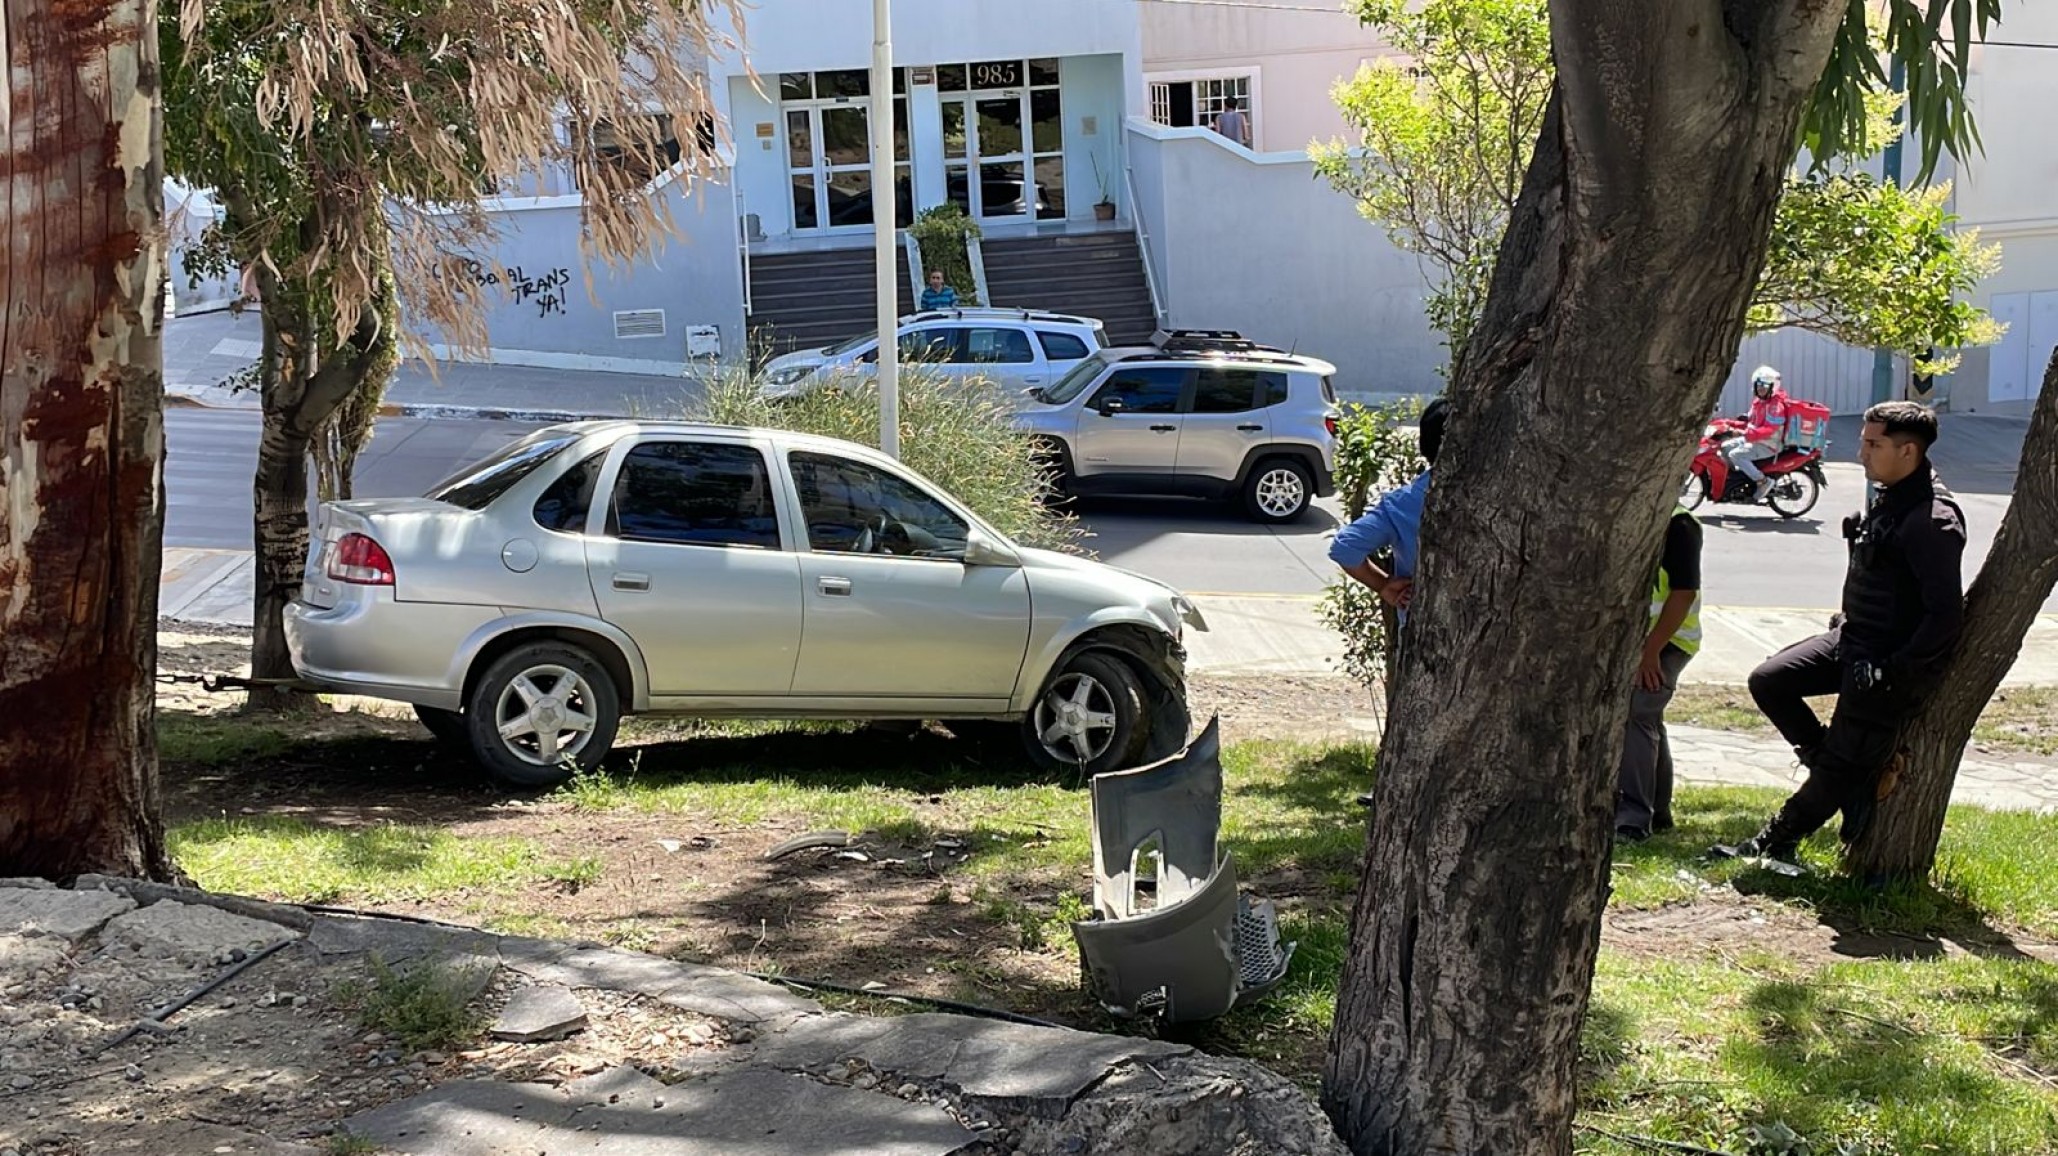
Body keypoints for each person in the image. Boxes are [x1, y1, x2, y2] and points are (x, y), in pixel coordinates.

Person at [1712, 401, 1965, 865]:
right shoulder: (1892, 494)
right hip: (1852, 641)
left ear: (1908, 451)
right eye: (1863, 441)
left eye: (1873, 444)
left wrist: (1895, 670)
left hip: (1885, 664)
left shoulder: (1932, 520)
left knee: (1844, 758)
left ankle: (1776, 841)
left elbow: (1945, 616)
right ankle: (1840, 773)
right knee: (1770, 680)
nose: (1861, 453)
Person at [1328, 399, 1448, 806]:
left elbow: (1345, 547)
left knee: (1415, 714)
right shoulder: (1500, 498)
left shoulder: (1403, 502)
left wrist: (1383, 584)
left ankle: (1397, 790)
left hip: (1421, 624)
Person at [1616, 504, 1703, 842]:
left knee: (1639, 710)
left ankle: (1633, 820)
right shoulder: (1631, 512)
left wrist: (1650, 651)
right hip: (1638, 641)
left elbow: (1683, 594)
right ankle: (1659, 808)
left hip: (1669, 641)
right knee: (1649, 718)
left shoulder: (1680, 525)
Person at [1724, 365, 1792, 501]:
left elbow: (1768, 430)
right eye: (1758, 385)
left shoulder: (1775, 406)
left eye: (1764, 385)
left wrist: (1745, 433)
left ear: (1773, 386)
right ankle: (1739, 477)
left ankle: (1762, 481)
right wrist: (1728, 423)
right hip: (1755, 439)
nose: (1760, 388)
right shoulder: (1759, 401)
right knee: (1725, 447)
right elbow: (1750, 420)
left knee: (1735, 455)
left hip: (1768, 444)